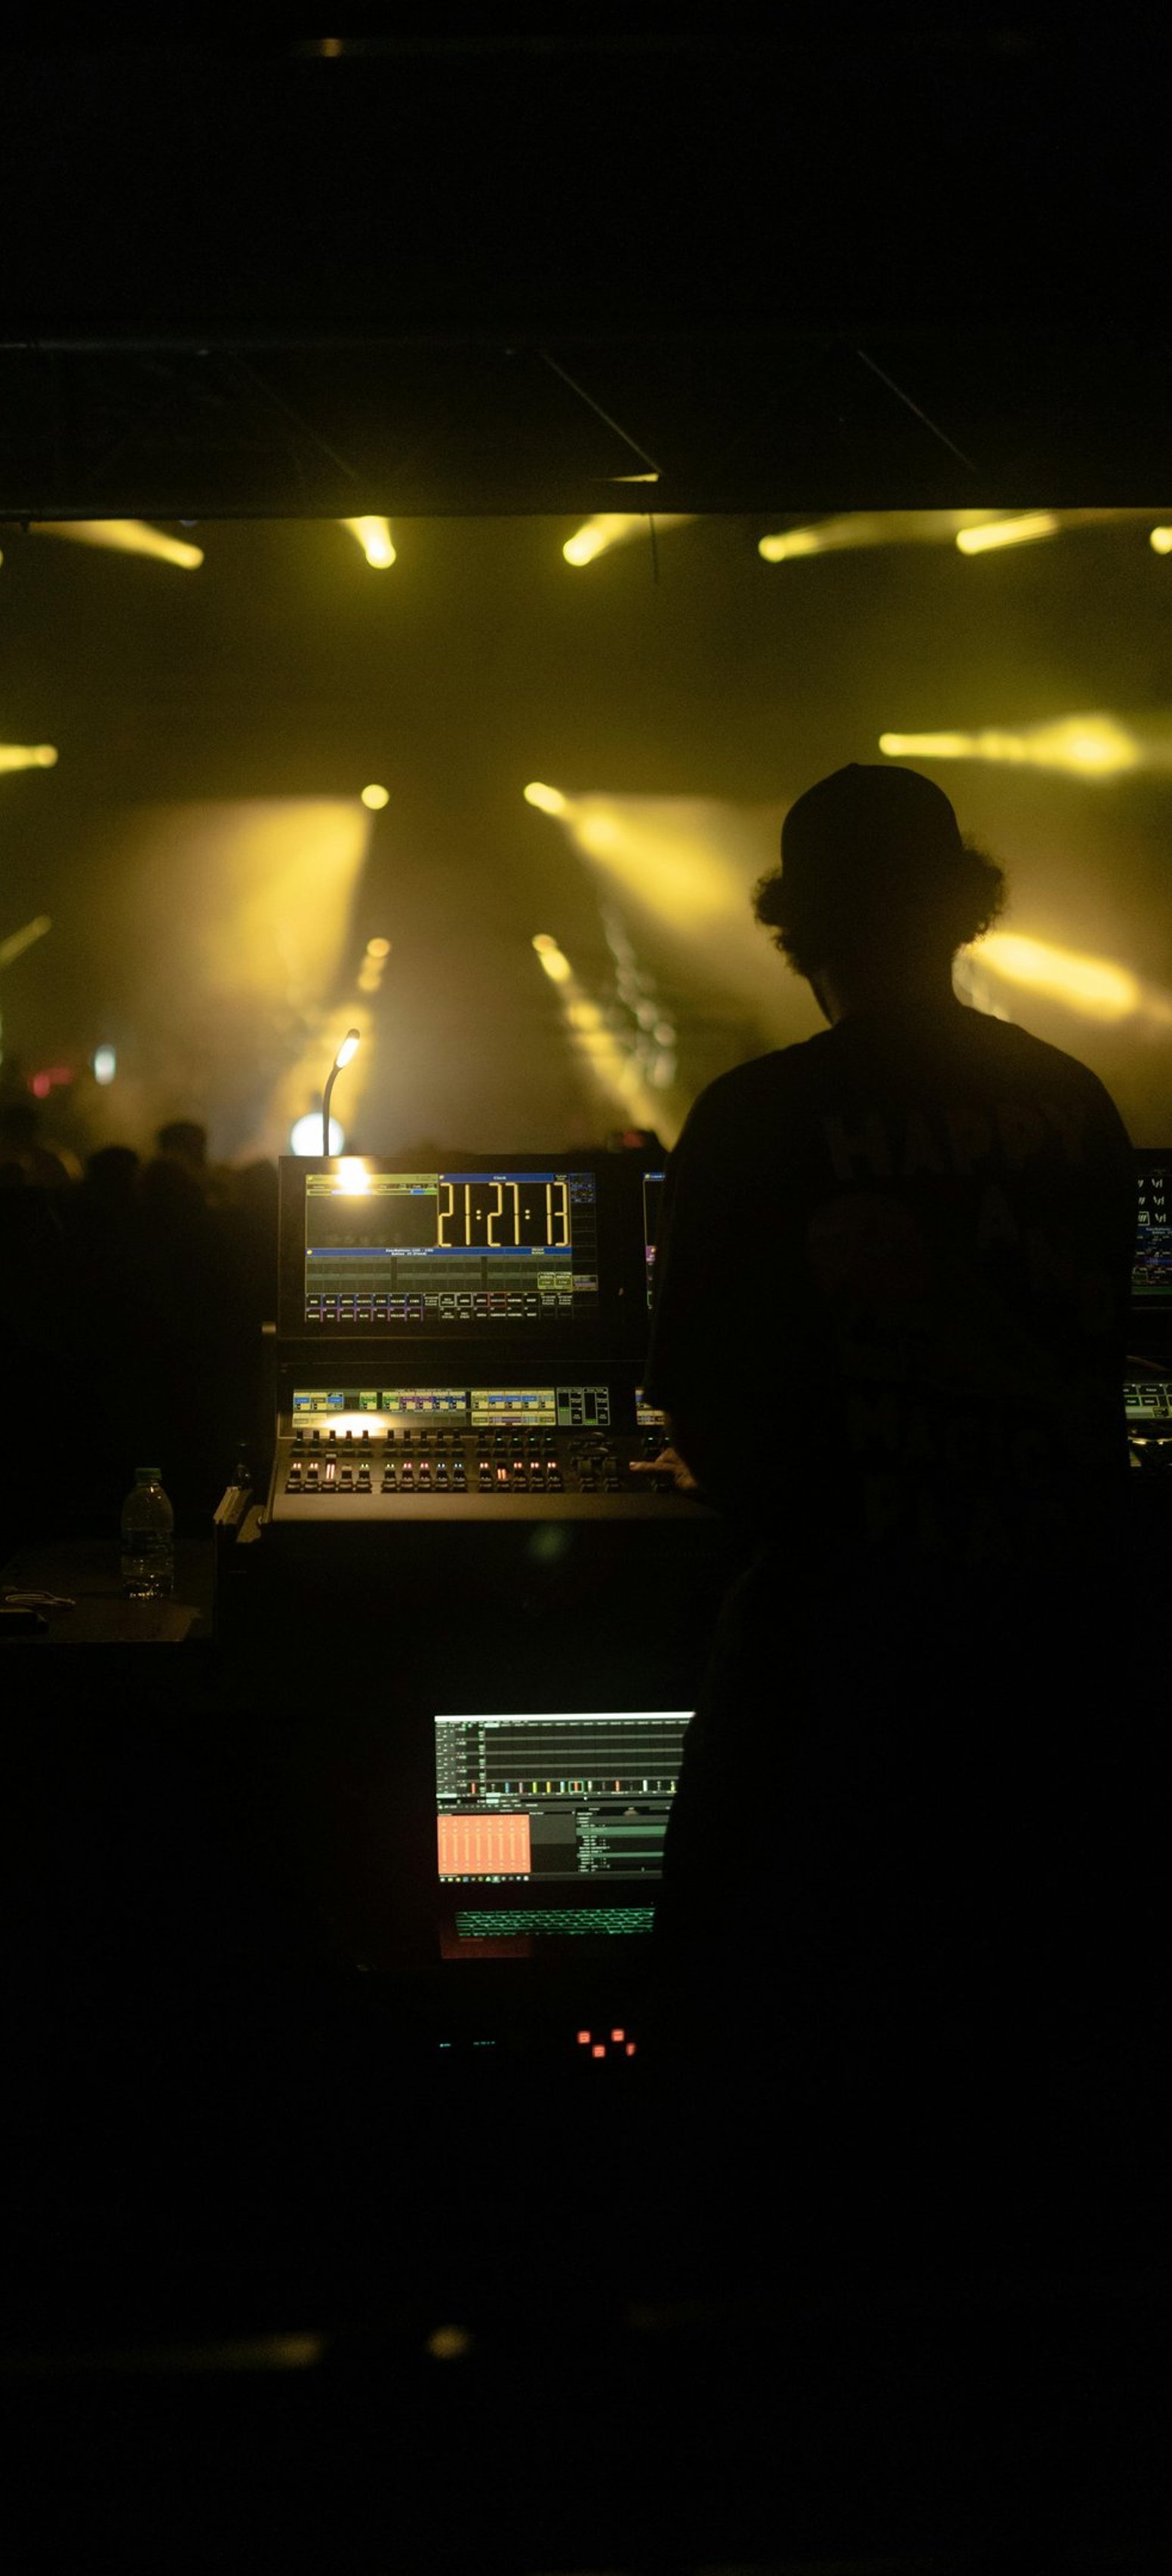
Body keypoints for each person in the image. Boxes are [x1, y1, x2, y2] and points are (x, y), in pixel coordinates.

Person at [642, 763, 1143, 2279]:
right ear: (962, 909)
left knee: (766, 2039)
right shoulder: (1073, 1103)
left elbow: (709, 1414)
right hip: (1058, 1660)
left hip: (834, 1658)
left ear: (801, 927)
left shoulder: (758, 1117)